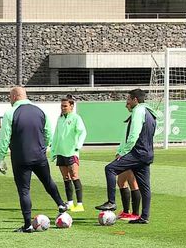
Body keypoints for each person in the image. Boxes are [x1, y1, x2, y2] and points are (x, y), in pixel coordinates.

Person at [0, 86, 68, 233]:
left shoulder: (11, 113)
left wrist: (1, 157)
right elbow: (48, 132)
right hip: (39, 155)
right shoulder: (39, 111)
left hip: (20, 158)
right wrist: (44, 146)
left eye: (10, 97)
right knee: (48, 181)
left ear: (15, 96)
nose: (10, 100)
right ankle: (60, 204)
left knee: (24, 191)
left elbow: (5, 137)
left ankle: (28, 225)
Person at [95, 89, 156, 224]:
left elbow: (134, 134)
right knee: (145, 187)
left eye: (128, 99)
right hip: (147, 154)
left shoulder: (139, 111)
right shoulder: (150, 113)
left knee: (110, 169)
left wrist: (123, 152)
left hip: (137, 153)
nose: (126, 103)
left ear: (135, 99)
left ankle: (111, 202)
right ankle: (144, 217)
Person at [50, 96, 87, 212]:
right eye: (62, 106)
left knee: (74, 175)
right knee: (65, 178)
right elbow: (56, 135)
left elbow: (82, 132)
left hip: (72, 152)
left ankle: (80, 204)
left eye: (65, 106)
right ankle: (70, 203)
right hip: (61, 152)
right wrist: (53, 151)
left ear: (71, 106)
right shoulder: (60, 119)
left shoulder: (76, 118)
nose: (63, 108)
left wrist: (78, 146)